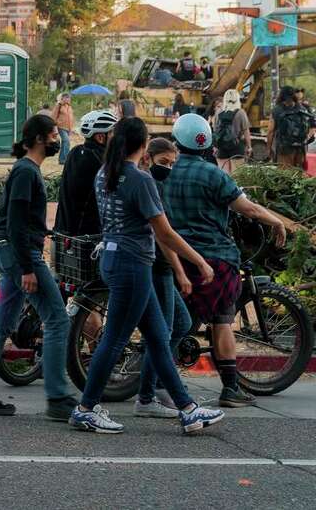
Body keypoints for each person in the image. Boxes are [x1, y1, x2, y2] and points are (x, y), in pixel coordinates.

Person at [69, 117, 224, 434]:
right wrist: (199, 262)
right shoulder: (140, 181)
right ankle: (86, 408)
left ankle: (188, 409)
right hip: (133, 265)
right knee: (114, 340)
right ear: (142, 146)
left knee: (157, 339)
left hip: (113, 259)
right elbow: (164, 233)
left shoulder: (105, 175)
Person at [161, 113, 290, 407]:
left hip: (178, 257)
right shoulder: (215, 174)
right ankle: (230, 388)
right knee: (222, 320)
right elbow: (250, 210)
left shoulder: (168, 172)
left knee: (178, 320)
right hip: (216, 260)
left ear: (178, 141)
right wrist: (277, 223)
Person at [0, 114, 76, 420]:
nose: (59, 140)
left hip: (11, 252)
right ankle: (57, 396)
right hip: (19, 254)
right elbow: (14, 223)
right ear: (40, 139)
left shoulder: (27, 170)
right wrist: (27, 267)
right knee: (57, 319)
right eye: (55, 135)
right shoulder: (26, 172)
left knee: (1, 325)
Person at [133, 138, 194, 417]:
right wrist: (183, 270)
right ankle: (148, 394)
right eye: (163, 163)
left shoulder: (156, 183)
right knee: (163, 333)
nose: (168, 168)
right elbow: (163, 235)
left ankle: (157, 384)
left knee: (180, 324)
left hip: (161, 267)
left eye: (171, 163)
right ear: (147, 158)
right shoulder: (148, 184)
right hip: (159, 267)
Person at [54, 109, 118, 238]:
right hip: (87, 236)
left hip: (64, 229)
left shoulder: (75, 152)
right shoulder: (99, 160)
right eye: (112, 134)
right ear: (100, 137)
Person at [268, 86, 309, 168]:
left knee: (285, 176)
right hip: (300, 148)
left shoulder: (277, 110)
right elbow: (307, 128)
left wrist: (269, 148)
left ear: (281, 95)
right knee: (298, 175)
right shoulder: (302, 109)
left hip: (284, 149)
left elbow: (270, 131)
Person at [212, 89, 251, 173]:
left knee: (224, 174)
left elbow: (215, 130)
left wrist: (215, 146)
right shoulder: (241, 113)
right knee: (236, 176)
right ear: (237, 99)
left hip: (221, 147)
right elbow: (246, 131)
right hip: (237, 146)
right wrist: (249, 146)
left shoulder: (218, 112)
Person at [50, 93, 73, 165]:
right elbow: (53, 115)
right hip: (61, 127)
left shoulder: (69, 107)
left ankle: (62, 159)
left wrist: (71, 129)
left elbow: (71, 118)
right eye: (66, 98)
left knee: (65, 142)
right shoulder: (59, 105)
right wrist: (53, 126)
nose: (68, 99)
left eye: (69, 98)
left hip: (68, 128)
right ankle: (64, 159)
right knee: (66, 141)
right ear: (63, 98)